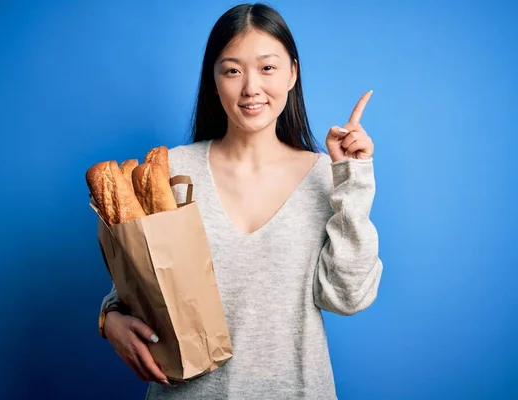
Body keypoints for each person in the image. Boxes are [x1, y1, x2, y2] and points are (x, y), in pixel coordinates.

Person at [97, 3, 383, 399]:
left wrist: (353, 178)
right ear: (214, 81)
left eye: (268, 68)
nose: (251, 87)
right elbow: (136, 285)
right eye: (232, 70)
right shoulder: (172, 171)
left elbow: (346, 298)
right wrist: (109, 319)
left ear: (292, 74)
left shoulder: (325, 175)